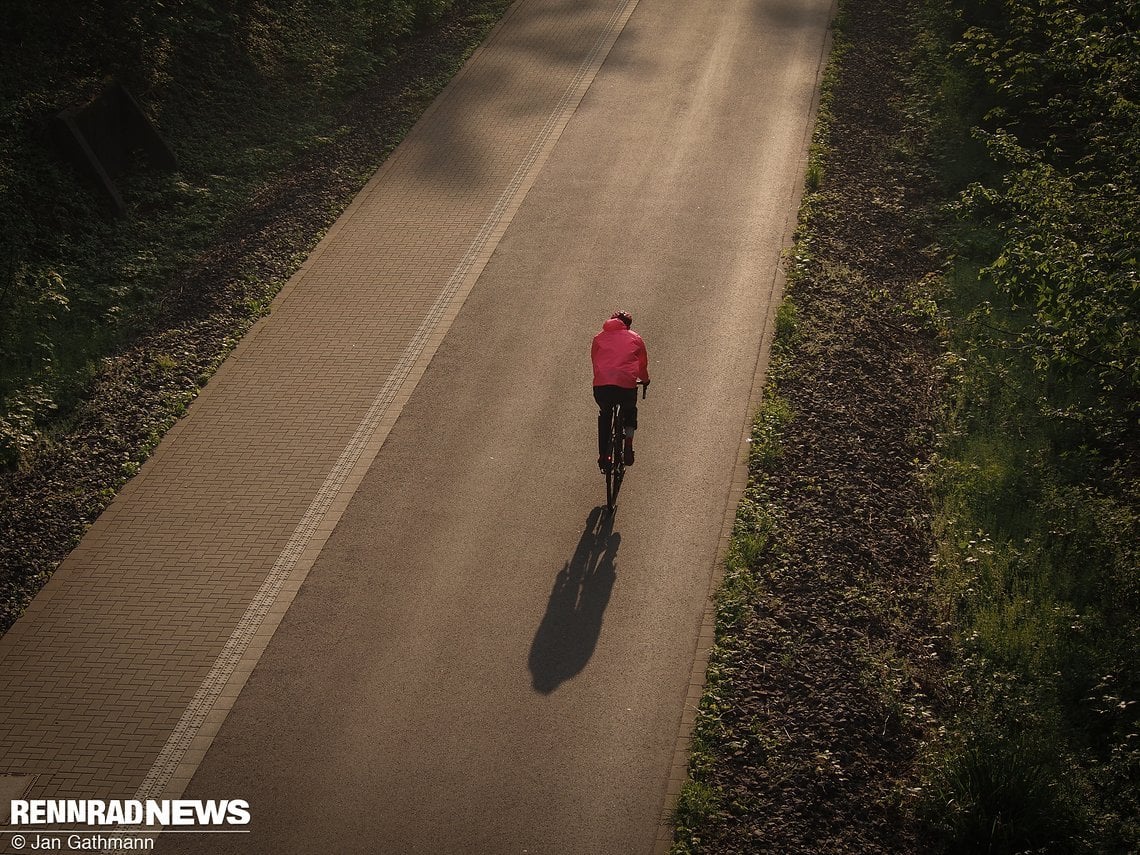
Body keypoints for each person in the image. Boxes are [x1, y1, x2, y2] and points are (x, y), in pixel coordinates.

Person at [591, 311, 650, 472]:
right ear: (627, 325)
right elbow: (642, 365)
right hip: (625, 386)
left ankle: (603, 455)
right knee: (630, 410)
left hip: (602, 386)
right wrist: (645, 380)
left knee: (605, 415)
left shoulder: (598, 338)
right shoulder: (635, 338)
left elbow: (595, 361)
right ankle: (628, 442)